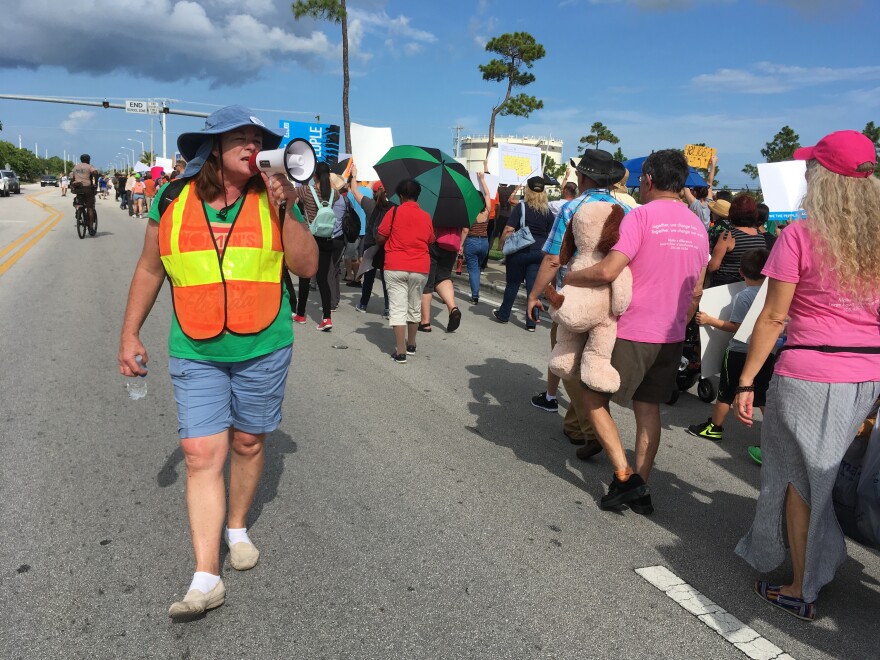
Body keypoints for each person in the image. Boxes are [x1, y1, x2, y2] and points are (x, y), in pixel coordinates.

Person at [117, 106, 318, 620]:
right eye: (242, 139)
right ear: (213, 149)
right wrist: (129, 333)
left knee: (249, 442)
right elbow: (148, 268)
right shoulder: (171, 199)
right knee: (202, 453)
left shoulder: (278, 197)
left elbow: (307, 265)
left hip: (263, 346)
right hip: (195, 347)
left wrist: (286, 209)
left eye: (260, 139)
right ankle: (206, 578)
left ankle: (236, 527)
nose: (254, 146)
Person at [733, 130, 880, 621]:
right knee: (825, 472)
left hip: (809, 373)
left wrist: (746, 379)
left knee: (799, 480)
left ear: (822, 179)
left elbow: (773, 318)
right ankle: (818, 561)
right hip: (867, 374)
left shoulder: (800, 235)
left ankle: (802, 584)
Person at [563, 149, 708, 514]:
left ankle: (625, 475)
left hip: (632, 328)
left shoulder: (640, 217)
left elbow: (609, 270)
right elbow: (696, 290)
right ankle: (641, 484)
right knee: (648, 410)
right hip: (671, 333)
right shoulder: (697, 225)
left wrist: (571, 276)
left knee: (591, 395)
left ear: (647, 179)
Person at [526, 150, 630, 457]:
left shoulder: (572, 208)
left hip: (574, 299)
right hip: (610, 299)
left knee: (567, 356)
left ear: (582, 177)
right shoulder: (623, 208)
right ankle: (576, 425)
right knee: (595, 358)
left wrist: (534, 294)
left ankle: (591, 426)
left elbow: (554, 258)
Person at [687, 248, 773, 441]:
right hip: (765, 351)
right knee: (762, 395)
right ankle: (771, 437)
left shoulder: (743, 296)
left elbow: (736, 326)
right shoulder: (773, 294)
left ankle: (714, 427)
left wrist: (709, 320)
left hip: (739, 351)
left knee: (726, 391)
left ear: (741, 272)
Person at [376, 179, 434, 363]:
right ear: (418, 196)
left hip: (395, 265)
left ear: (401, 196)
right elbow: (431, 239)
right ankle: (412, 344)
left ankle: (400, 351)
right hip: (419, 267)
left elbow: (380, 236)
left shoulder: (393, 212)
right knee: (414, 305)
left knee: (397, 307)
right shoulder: (426, 216)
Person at [493, 176, 556, 331]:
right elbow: (550, 233)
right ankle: (532, 321)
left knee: (513, 284)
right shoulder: (548, 211)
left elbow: (508, 229)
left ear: (527, 190)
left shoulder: (522, 207)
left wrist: (502, 244)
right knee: (533, 288)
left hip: (520, 251)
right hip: (538, 252)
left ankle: (504, 314)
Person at [294, 163, 347, 330]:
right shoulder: (334, 194)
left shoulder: (305, 191)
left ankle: (301, 314)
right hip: (327, 239)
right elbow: (336, 190)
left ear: (314, 175)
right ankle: (327, 318)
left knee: (304, 276)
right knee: (323, 278)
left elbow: (292, 195)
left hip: (309, 238)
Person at [349, 169, 390, 316]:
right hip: (386, 246)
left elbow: (354, 191)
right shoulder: (392, 207)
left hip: (370, 245)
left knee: (369, 276)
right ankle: (387, 308)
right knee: (387, 278)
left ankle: (363, 304)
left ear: (373, 192)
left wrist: (354, 175)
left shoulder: (369, 204)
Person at [708, 194, 767, 286]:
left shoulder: (729, 235)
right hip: (750, 286)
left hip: (725, 286)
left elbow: (713, 266)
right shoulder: (760, 236)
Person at [419, 224, 462, 334]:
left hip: (434, 242)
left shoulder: (435, 209)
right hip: (452, 245)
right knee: (444, 278)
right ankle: (453, 308)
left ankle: (425, 322)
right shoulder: (460, 208)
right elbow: (465, 229)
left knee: (428, 282)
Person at [458, 171, 492, 304]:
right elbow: (488, 194)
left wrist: (460, 245)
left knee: (473, 269)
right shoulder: (487, 211)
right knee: (477, 267)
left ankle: (475, 296)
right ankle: (476, 292)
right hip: (484, 242)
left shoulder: (470, 212)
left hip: (471, 242)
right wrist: (482, 180)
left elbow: (465, 230)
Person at [70, 154, 98, 231]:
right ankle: (91, 227)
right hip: (87, 188)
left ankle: (78, 211)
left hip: (78, 189)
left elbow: (71, 176)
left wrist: (73, 183)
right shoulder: (89, 166)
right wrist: (95, 183)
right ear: (88, 159)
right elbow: (95, 173)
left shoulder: (76, 167)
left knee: (79, 200)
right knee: (90, 208)